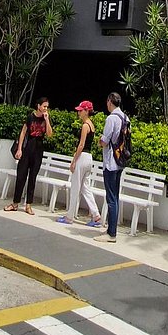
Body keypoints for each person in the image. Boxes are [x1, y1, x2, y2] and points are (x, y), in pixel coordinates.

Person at [56, 101, 101, 227]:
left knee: (75, 187)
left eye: (81, 110)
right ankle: (96, 215)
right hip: (89, 158)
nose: (78, 112)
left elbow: (81, 145)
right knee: (85, 187)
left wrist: (74, 160)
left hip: (82, 158)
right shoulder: (92, 125)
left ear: (87, 111)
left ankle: (69, 216)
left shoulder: (85, 126)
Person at [4, 96, 51, 214]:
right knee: (21, 176)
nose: (46, 108)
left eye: (47, 107)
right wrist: (19, 149)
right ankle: (15, 203)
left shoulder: (46, 118)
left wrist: (47, 120)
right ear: (38, 106)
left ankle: (28, 205)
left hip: (38, 149)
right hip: (27, 147)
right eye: (44, 106)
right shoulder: (30, 117)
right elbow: (23, 132)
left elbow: (49, 134)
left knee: (32, 178)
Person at [97, 91, 127, 242]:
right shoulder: (125, 118)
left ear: (110, 101)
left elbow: (105, 140)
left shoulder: (111, 119)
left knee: (111, 198)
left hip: (110, 162)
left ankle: (112, 233)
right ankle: (111, 229)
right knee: (115, 196)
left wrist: (99, 142)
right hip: (120, 161)